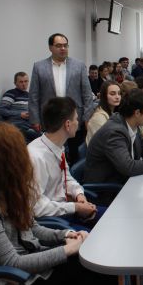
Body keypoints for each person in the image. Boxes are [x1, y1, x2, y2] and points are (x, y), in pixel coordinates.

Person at [0, 122, 113, 285]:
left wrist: (66, 235)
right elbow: (12, 262)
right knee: (88, 269)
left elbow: (32, 228)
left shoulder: (3, 190)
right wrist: (68, 249)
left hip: (24, 274)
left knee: (90, 265)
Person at [28, 97, 101, 228]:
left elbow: (66, 178)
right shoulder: (35, 157)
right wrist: (75, 207)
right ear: (67, 124)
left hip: (65, 209)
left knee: (111, 218)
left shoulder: (56, 146)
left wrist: (79, 195)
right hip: (52, 223)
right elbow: (36, 207)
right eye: (76, 119)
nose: (78, 123)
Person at [84, 89, 143, 190]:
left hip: (122, 180)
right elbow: (129, 167)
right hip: (106, 189)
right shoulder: (115, 133)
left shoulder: (130, 122)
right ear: (137, 113)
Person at [29, 33, 94, 163]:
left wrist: (87, 117)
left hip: (75, 118)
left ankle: (72, 174)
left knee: (75, 154)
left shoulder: (79, 66)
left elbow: (87, 94)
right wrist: (35, 119)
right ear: (50, 47)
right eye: (59, 46)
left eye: (65, 45)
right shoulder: (39, 67)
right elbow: (34, 95)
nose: (63, 48)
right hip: (51, 118)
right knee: (52, 156)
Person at [0, 72, 40, 143]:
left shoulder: (29, 95)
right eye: (21, 82)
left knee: (46, 135)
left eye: (26, 81)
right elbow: (1, 110)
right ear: (15, 83)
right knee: (41, 138)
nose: (24, 84)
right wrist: (20, 114)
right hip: (16, 127)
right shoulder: (11, 93)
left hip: (29, 126)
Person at [86, 81, 121, 145]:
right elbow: (101, 144)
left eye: (119, 93)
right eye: (112, 94)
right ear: (104, 96)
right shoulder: (98, 118)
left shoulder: (112, 113)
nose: (117, 97)